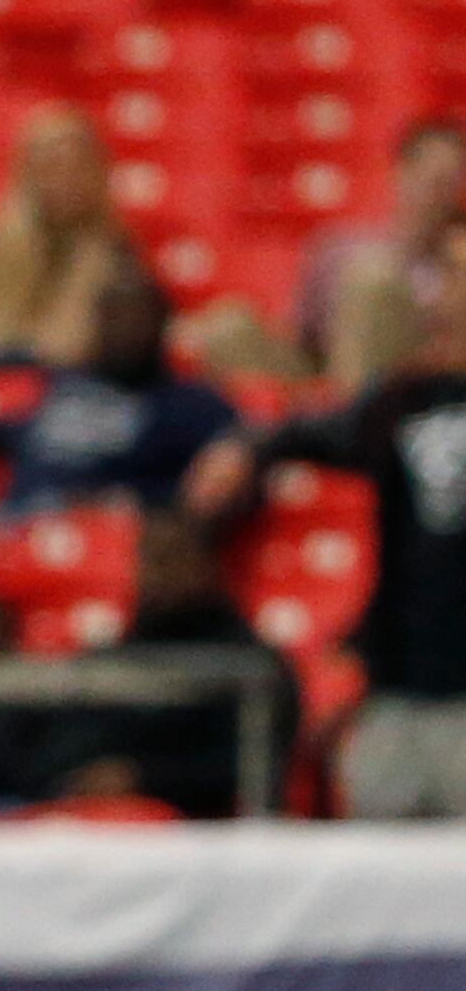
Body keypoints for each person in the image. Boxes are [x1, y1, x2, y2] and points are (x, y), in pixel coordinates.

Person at [187, 284, 466, 814]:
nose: (438, 300)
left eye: (454, 279)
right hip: (399, 696)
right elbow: (307, 434)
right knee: (376, 875)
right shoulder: (402, 400)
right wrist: (244, 447)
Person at [34, 506, 295, 816]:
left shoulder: (248, 666)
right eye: (148, 559)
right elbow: (54, 745)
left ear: (207, 564)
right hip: (94, 823)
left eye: (172, 558)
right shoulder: (114, 657)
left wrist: (143, 779)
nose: (158, 574)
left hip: (202, 831)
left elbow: (249, 766)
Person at [0, 256, 235, 515]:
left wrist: (137, 501)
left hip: (108, 543)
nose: (125, 330)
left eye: (137, 318)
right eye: (113, 316)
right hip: (19, 532)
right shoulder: (49, 383)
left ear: (161, 325)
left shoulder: (188, 404)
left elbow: (231, 465)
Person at [0, 104, 130, 371]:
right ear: (25, 172)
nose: (66, 178)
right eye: (51, 166)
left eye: (78, 165)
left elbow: (116, 354)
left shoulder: (118, 253)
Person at [300, 119, 462, 395]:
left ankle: (349, 426)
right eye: (431, 176)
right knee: (228, 327)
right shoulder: (338, 246)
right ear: (399, 172)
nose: (437, 192)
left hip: (407, 388)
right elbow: (304, 339)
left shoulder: (457, 259)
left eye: (450, 181)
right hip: (326, 370)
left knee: (374, 283)